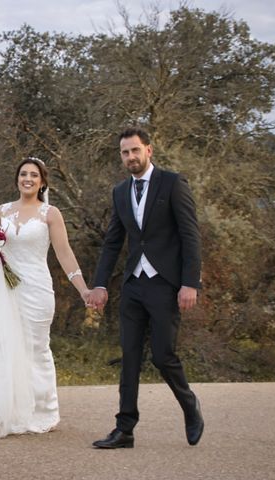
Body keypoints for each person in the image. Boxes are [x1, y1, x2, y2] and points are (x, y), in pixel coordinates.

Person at [86, 126, 204, 449]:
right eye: (125, 152)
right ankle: (125, 429)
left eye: (135, 150)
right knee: (130, 357)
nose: (130, 157)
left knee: (164, 356)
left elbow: (191, 236)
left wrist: (189, 283)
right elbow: (112, 243)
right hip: (133, 286)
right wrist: (99, 284)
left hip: (166, 286)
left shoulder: (172, 183)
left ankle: (190, 405)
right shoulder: (120, 191)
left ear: (149, 150)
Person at [0, 157, 91, 439]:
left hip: (37, 291)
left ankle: (42, 411)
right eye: (23, 174)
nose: (27, 179)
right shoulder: (2, 211)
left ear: (42, 181)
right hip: (3, 290)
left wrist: (83, 290)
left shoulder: (50, 214)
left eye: (33, 175)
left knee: (35, 350)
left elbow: (64, 253)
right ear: (17, 178)